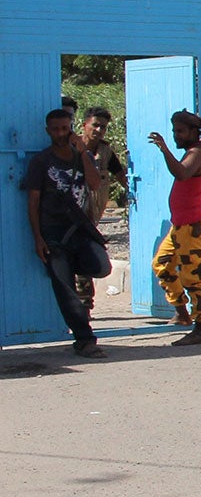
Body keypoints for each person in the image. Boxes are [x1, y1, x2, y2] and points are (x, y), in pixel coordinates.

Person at [19, 108, 110, 357]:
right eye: (55, 129)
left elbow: (94, 184)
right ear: (48, 131)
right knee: (66, 290)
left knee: (101, 266)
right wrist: (38, 237)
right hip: (53, 234)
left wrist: (82, 153)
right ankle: (85, 339)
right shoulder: (41, 162)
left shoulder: (82, 156)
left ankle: (74, 271)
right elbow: (33, 202)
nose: (60, 133)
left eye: (64, 128)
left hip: (79, 230)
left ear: (71, 128)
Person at [146, 110, 201, 347]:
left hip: (192, 228)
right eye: (174, 132)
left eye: (180, 132)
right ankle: (182, 314)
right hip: (181, 227)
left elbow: (181, 174)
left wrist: (164, 149)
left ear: (193, 132)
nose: (175, 136)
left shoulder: (198, 154)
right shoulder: (193, 152)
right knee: (162, 265)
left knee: (194, 278)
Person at [73, 107, 124, 314]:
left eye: (103, 127)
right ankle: (82, 304)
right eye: (95, 125)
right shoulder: (72, 148)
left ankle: (85, 304)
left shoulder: (105, 152)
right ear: (84, 125)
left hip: (92, 215)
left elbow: (121, 175)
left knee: (86, 257)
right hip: (72, 214)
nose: (99, 130)